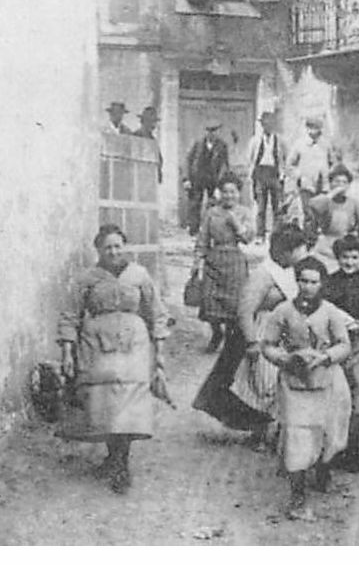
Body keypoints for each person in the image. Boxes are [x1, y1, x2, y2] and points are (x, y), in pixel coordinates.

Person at [56, 225, 170, 493]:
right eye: (107, 247)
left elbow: (156, 313)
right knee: (106, 404)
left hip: (134, 345)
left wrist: (160, 352)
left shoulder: (140, 275)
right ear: (98, 249)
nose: (113, 251)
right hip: (97, 346)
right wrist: (67, 352)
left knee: (129, 402)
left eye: (118, 246)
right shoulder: (87, 278)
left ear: (125, 246)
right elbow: (70, 316)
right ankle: (114, 457)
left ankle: (121, 462)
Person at [256, 257, 353, 521]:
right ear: (296, 281)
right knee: (297, 437)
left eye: (313, 282)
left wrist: (326, 357)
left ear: (322, 284)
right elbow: (267, 344)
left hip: (328, 381)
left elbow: (344, 344)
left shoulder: (331, 312)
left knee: (331, 432)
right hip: (295, 382)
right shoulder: (283, 311)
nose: (307, 286)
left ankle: (323, 467)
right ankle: (297, 496)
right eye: (302, 280)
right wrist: (285, 359)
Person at [193, 226, 309, 438]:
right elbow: (244, 311)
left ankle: (273, 432)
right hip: (258, 332)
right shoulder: (263, 274)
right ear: (285, 251)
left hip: (278, 331)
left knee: (277, 382)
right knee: (259, 385)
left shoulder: (289, 271)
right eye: (299, 249)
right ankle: (260, 433)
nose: (304, 254)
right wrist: (252, 343)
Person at [322, 235, 359, 472]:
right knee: (337, 393)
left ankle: (353, 448)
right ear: (338, 259)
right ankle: (336, 446)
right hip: (337, 342)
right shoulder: (331, 281)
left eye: (355, 257)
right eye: (344, 257)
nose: (349, 262)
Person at [194, 174, 255, 353]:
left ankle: (229, 338)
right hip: (214, 260)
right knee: (209, 300)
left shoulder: (244, 212)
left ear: (239, 193)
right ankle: (216, 333)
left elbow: (248, 238)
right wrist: (197, 260)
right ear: (220, 193)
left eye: (233, 192)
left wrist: (236, 223)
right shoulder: (211, 212)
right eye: (225, 192)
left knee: (233, 305)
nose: (229, 195)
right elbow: (203, 238)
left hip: (235, 261)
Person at [306, 165, 359, 263]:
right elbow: (313, 206)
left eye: (344, 182)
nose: (340, 185)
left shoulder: (354, 204)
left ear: (349, 185)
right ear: (330, 183)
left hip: (345, 244)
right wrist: (332, 193)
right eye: (337, 181)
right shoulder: (325, 201)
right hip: (325, 245)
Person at [184, 123, 230, 234]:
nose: (211, 133)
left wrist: (220, 185)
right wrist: (186, 179)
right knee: (195, 203)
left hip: (213, 179)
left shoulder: (222, 145)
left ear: (218, 131)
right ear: (205, 131)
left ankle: (210, 230)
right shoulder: (198, 144)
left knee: (213, 204)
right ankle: (193, 229)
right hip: (197, 178)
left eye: (214, 130)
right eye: (209, 130)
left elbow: (225, 165)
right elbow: (188, 161)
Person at [246, 113, 285, 236]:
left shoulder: (280, 140)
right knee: (261, 207)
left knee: (277, 206)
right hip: (260, 174)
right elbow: (249, 158)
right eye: (265, 124)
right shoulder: (255, 140)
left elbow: (285, 158)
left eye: (270, 124)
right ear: (262, 125)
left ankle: (276, 233)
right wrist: (251, 174)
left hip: (274, 174)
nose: (267, 126)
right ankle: (260, 235)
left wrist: (283, 174)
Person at [288, 118, 333, 223]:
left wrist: (328, 175)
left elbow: (332, 162)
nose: (313, 131)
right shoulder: (299, 144)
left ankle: (319, 236)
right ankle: (309, 237)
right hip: (306, 183)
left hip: (323, 184)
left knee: (321, 211)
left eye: (316, 128)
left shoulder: (326, 144)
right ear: (307, 129)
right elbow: (290, 164)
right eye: (311, 128)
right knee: (308, 212)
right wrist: (298, 175)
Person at [133, 105, 163, 183]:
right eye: (150, 121)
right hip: (138, 178)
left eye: (154, 122)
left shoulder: (153, 140)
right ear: (143, 121)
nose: (153, 125)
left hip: (150, 179)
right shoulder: (135, 137)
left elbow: (159, 160)